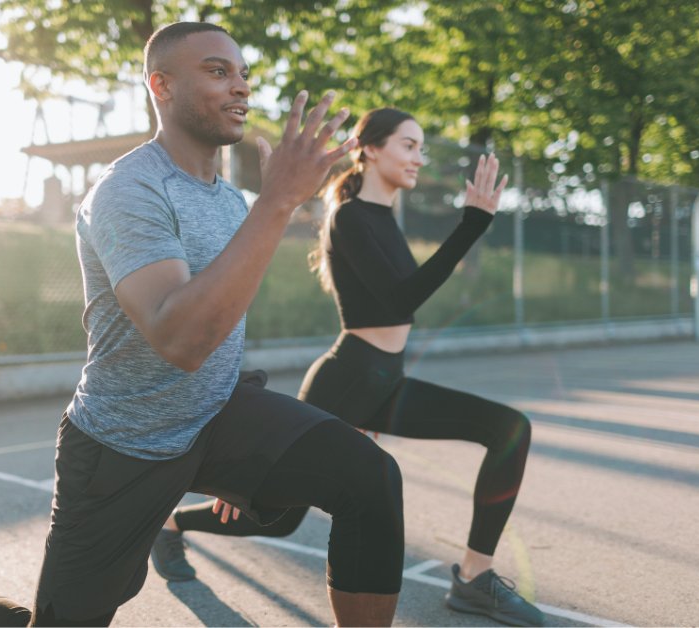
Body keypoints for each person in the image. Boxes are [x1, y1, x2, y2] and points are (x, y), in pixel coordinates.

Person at [0, 22, 406, 627]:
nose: (240, 87)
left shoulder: (226, 199)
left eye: (243, 74)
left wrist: (244, 452)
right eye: (218, 72)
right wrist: (278, 203)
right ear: (161, 85)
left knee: (370, 479)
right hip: (123, 445)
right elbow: (180, 339)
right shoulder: (127, 191)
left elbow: (220, 322)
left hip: (216, 417)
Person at [152, 108, 545, 627]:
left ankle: (474, 578)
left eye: (421, 148)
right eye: (408, 145)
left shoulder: (383, 219)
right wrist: (471, 224)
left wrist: (471, 225)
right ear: (371, 148)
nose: (418, 158)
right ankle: (172, 525)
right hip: (347, 381)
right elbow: (401, 299)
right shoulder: (351, 217)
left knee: (509, 428)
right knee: (277, 520)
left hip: (388, 381)